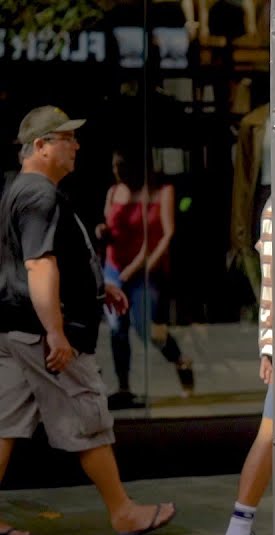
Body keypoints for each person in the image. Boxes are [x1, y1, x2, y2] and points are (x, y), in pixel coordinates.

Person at [0, 106, 177, 535]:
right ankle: (124, 512)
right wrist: (56, 331)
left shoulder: (19, 189)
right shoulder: (39, 196)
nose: (76, 146)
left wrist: (100, 286)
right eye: (66, 138)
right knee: (87, 413)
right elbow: (39, 265)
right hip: (42, 334)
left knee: (5, 424)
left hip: (16, 328)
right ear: (41, 146)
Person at [97, 151, 194, 407]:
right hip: (115, 266)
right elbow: (109, 225)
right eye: (114, 166)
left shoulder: (159, 192)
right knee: (117, 328)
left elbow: (165, 233)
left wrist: (146, 266)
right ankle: (124, 386)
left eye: (121, 166)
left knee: (145, 327)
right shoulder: (114, 192)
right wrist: (102, 231)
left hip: (145, 267)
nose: (117, 171)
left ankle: (179, 359)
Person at [218, 200, 273, 535]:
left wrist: (269, 344)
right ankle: (237, 534)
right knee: (271, 434)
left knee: (271, 433)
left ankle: (238, 532)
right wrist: (271, 345)